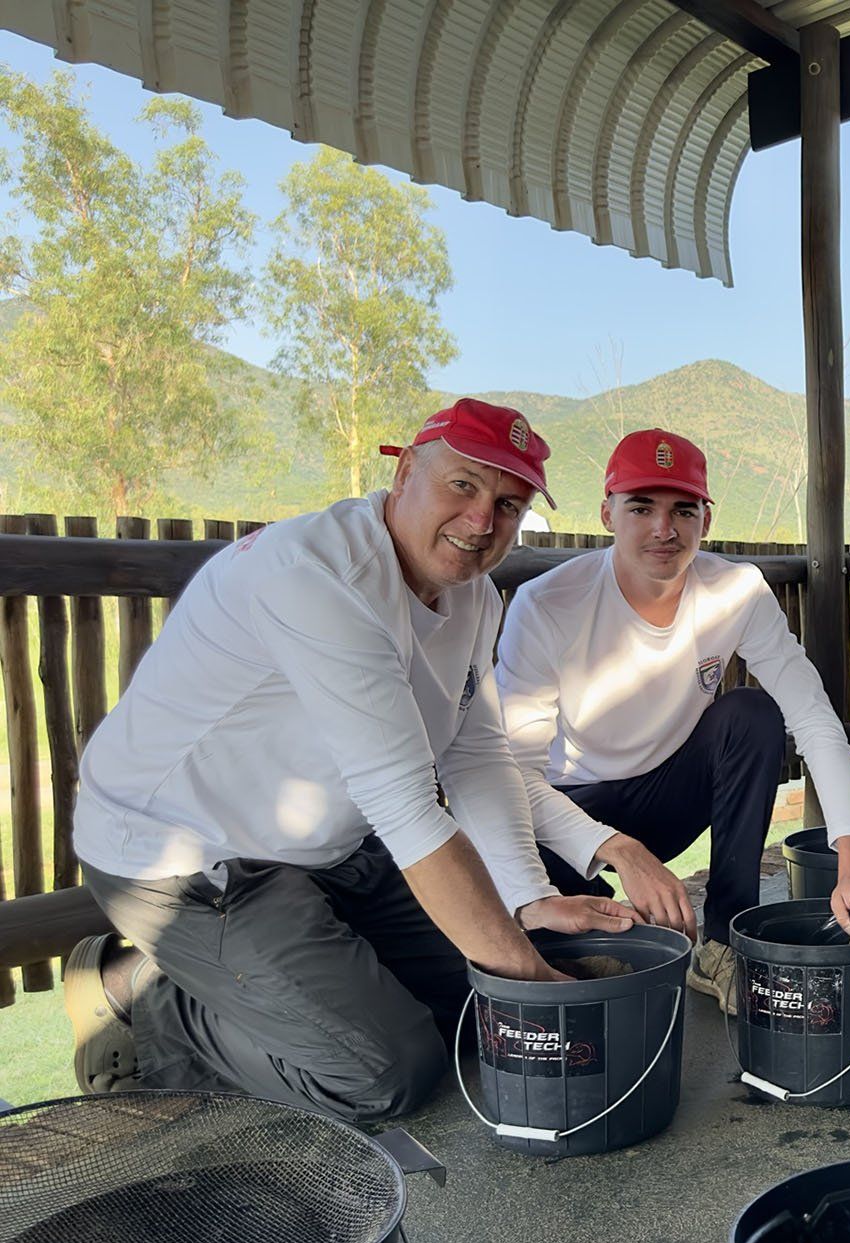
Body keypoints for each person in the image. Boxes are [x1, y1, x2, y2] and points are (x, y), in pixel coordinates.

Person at [66, 399, 634, 1121]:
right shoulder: (318, 574)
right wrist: (530, 974)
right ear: (402, 474)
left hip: (329, 847)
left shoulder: (474, 598)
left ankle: (283, 980)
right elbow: (405, 806)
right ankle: (144, 1003)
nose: (483, 520)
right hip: (186, 858)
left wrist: (526, 903)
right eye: (462, 485)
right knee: (386, 1072)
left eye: (509, 503)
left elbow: (477, 754)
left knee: (475, 1006)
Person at [495, 429, 850, 1015]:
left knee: (750, 713)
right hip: (566, 814)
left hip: (668, 798)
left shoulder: (735, 590)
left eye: (683, 509)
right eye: (641, 508)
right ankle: (591, 925)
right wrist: (622, 853)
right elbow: (512, 776)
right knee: (587, 948)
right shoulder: (547, 604)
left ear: (705, 516)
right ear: (607, 513)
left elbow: (813, 715)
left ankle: (724, 946)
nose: (664, 529)